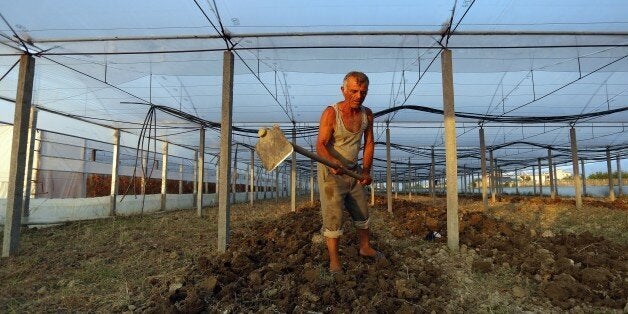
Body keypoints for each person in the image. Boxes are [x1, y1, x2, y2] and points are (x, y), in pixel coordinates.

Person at [316, 71, 382, 273]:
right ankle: (334, 260)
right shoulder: (331, 113)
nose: (358, 96)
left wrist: (366, 170)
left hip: (353, 171)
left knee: (362, 210)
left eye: (363, 92)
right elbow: (320, 144)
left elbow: (369, 143)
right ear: (343, 90)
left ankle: (365, 247)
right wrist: (331, 161)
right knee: (333, 215)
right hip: (331, 172)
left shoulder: (366, 115)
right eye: (353, 91)